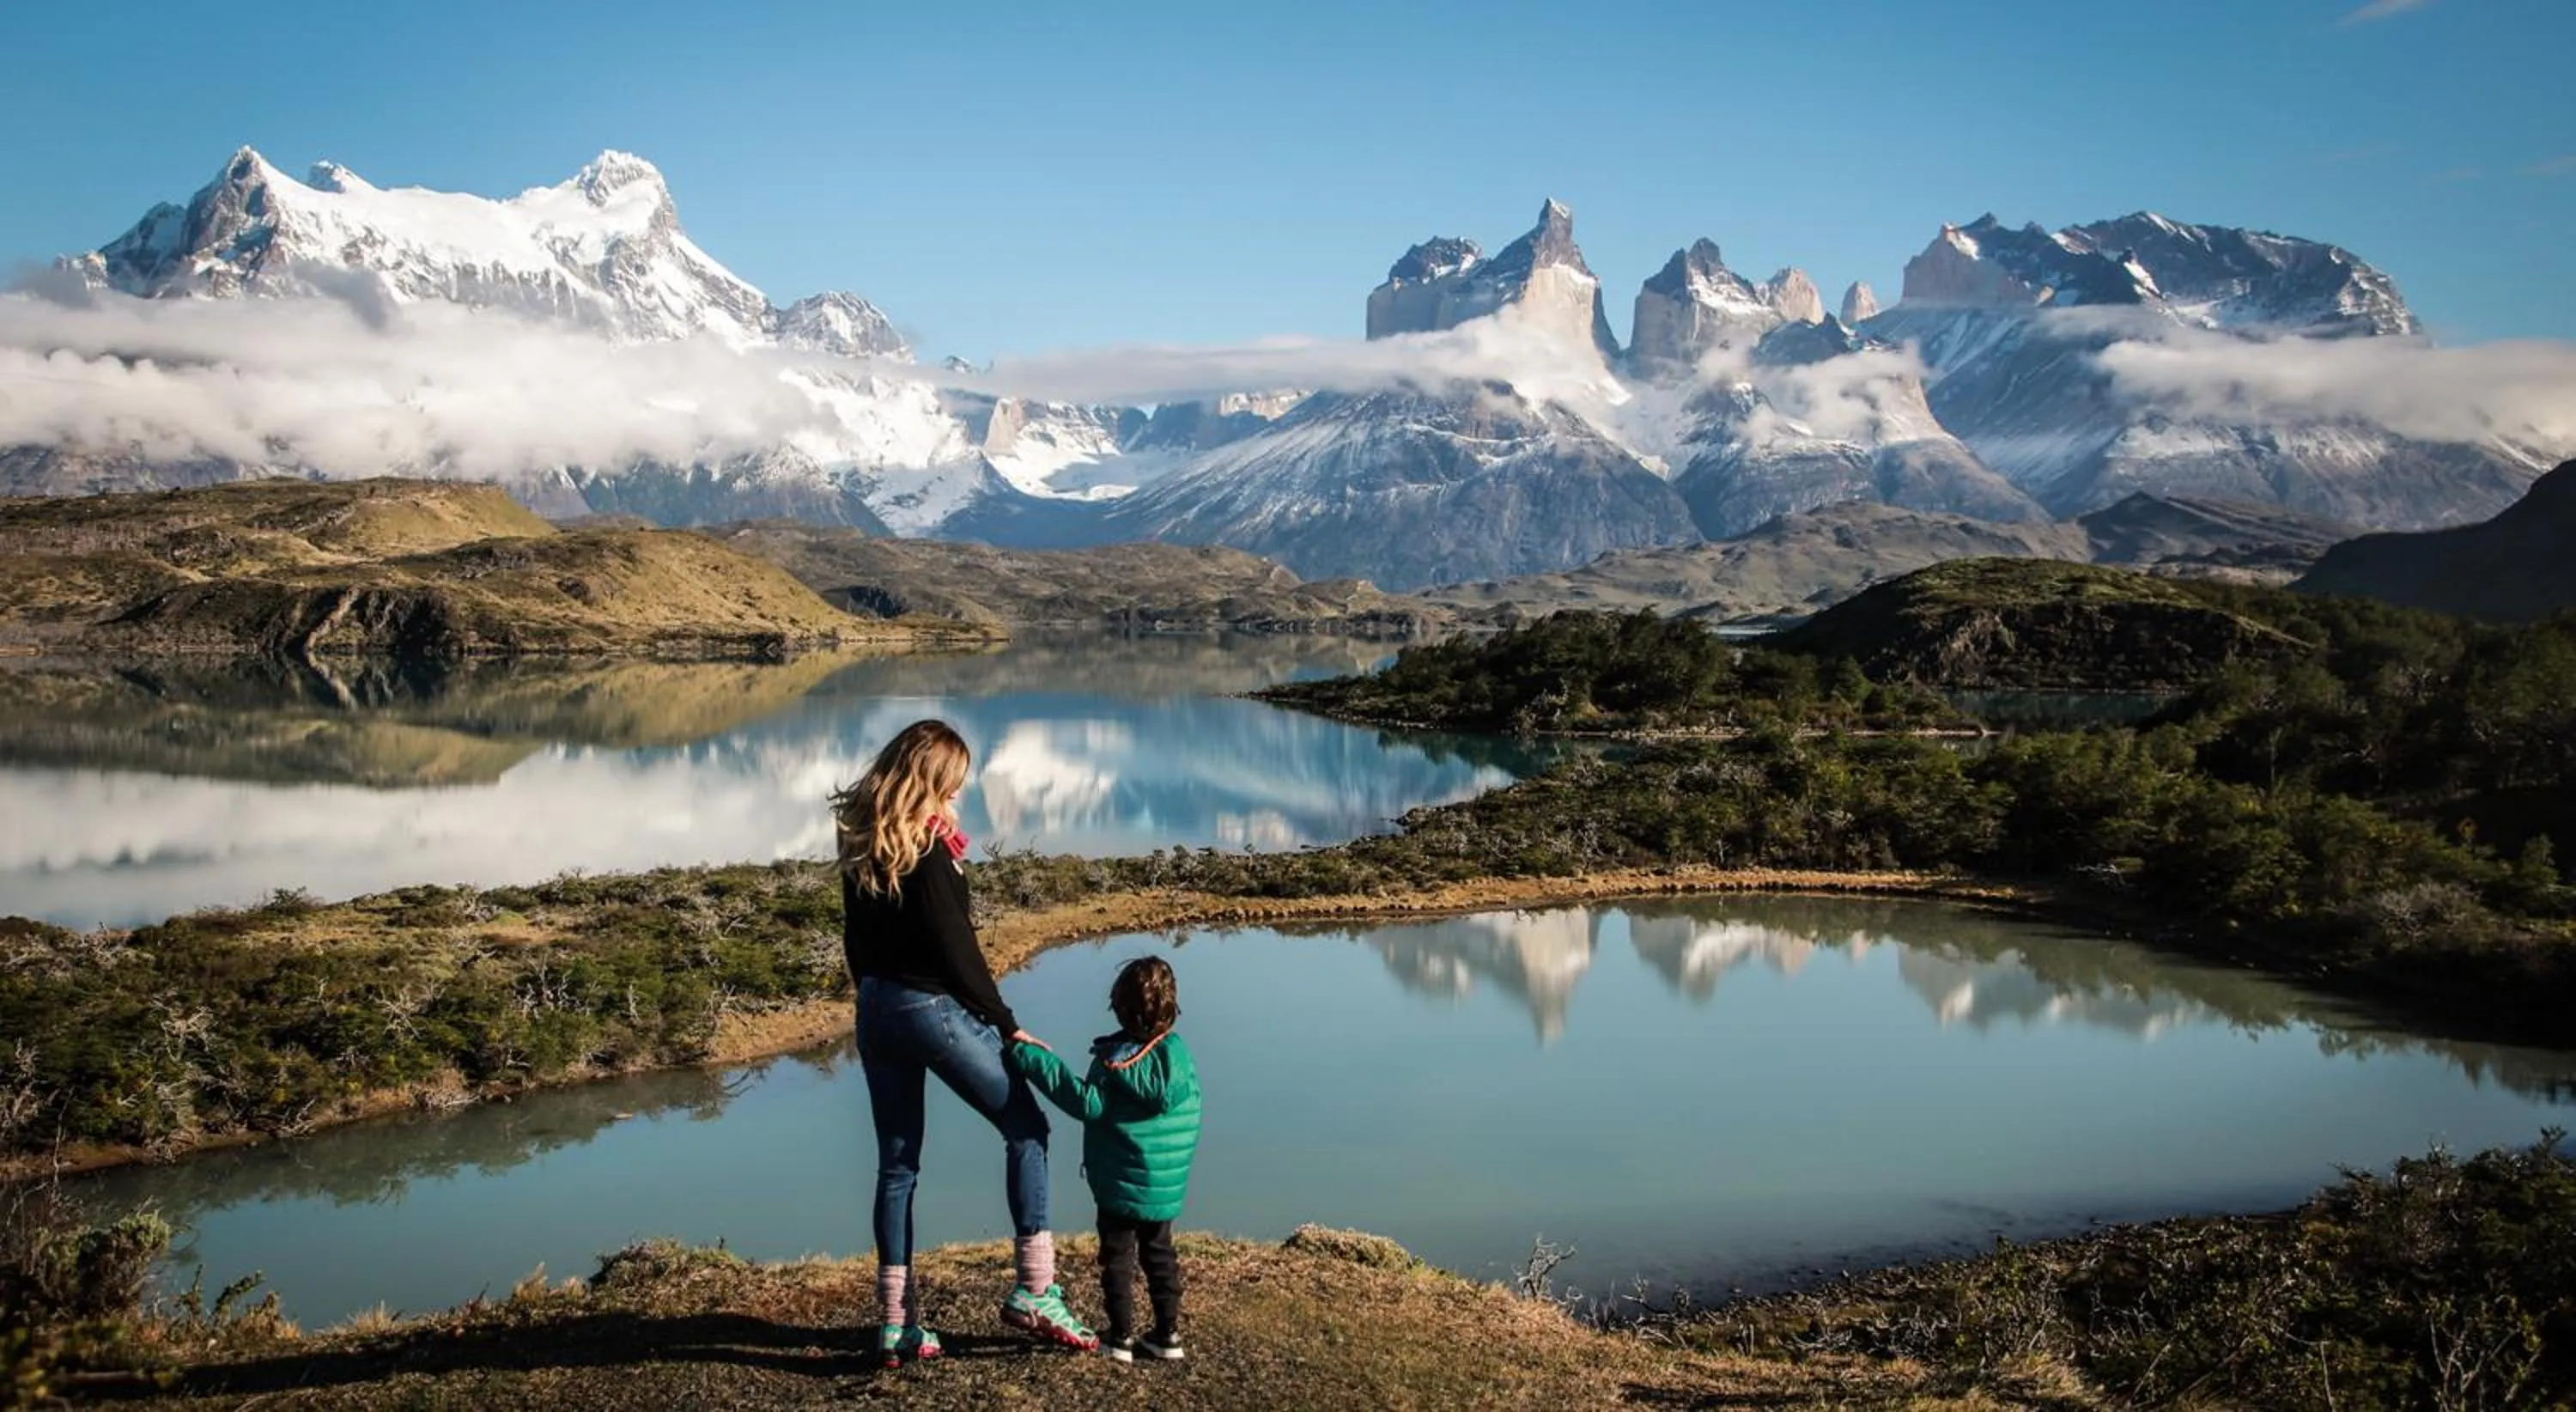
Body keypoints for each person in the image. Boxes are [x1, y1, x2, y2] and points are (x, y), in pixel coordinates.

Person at [832, 719, 1096, 1367]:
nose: (959, 792)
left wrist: (875, 996)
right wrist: (1005, 1023)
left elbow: (855, 941)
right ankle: (1036, 1290)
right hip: (929, 1009)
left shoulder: (863, 839)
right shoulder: (929, 852)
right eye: (953, 781)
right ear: (931, 778)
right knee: (1027, 1128)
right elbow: (958, 954)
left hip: (875, 1009)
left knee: (898, 1167)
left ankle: (896, 1324)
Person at [1009, 956, 1202, 1364]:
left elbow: (1086, 1104)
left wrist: (1031, 1058)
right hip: (1164, 1185)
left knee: (1117, 1257)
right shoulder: (1180, 1058)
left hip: (1118, 1182)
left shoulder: (1113, 1063)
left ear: (1119, 1007)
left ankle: (1121, 1337)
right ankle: (1168, 1334)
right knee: (1160, 1254)